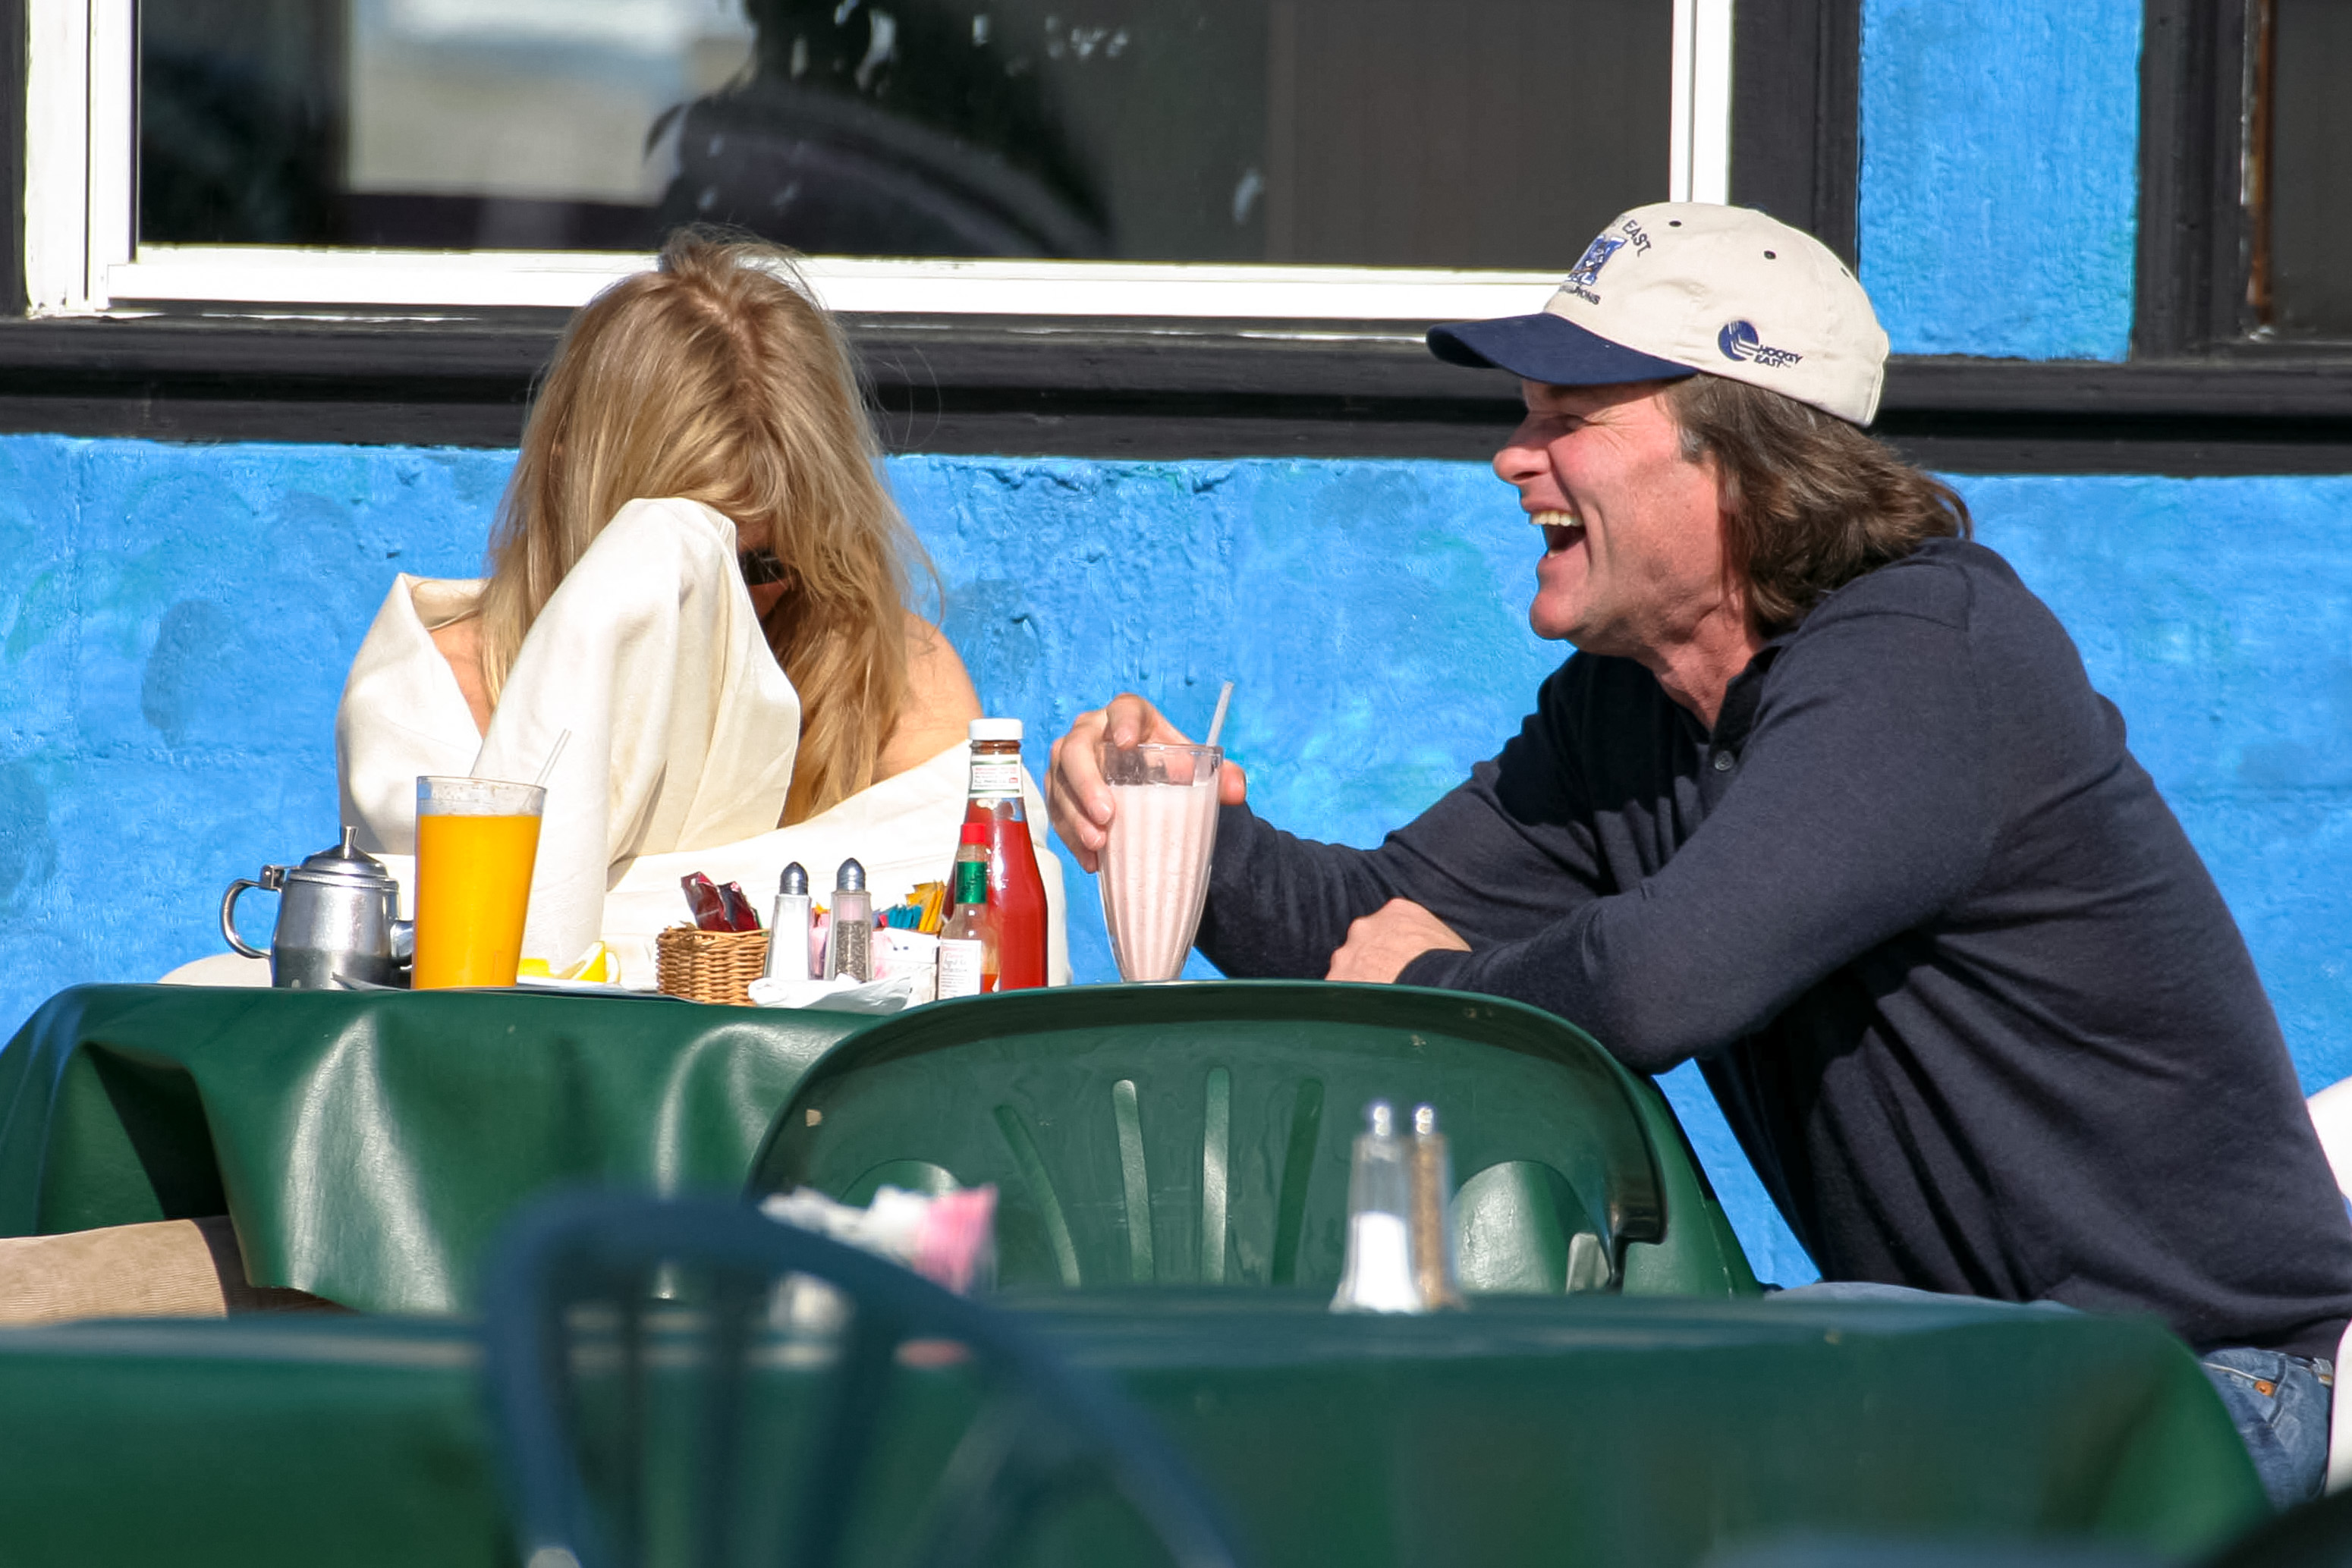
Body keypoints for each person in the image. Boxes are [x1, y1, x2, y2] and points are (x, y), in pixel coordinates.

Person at [1049, 203, 2352, 1506]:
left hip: (2188, 1391)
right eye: (1524, 413)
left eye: (1568, 416)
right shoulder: (1633, 710)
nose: (1514, 458)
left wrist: (1427, 985)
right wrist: (1189, 830)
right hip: (1953, 1371)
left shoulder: (1927, 655)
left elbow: (1660, 980)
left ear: (1745, 457)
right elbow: (1371, 919)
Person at [325, 231, 1065, 985]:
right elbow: (484, 989)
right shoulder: (428, 702)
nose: (731, 610)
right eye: (674, 567)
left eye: (765, 566)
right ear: (571, 488)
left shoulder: (891, 682)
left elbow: (989, 968)